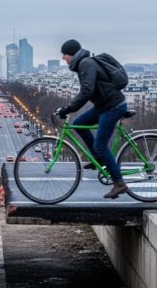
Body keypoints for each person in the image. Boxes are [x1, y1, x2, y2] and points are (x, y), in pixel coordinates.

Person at [54, 39, 129, 199]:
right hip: (104, 105)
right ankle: (99, 158)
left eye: (64, 54)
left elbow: (87, 91)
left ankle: (119, 183)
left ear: (71, 54)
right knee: (78, 123)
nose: (63, 58)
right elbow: (88, 91)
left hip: (113, 106)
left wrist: (68, 108)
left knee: (100, 145)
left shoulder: (85, 64)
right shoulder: (84, 63)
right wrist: (69, 108)